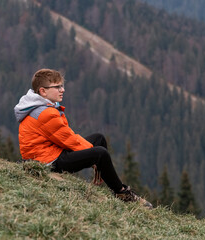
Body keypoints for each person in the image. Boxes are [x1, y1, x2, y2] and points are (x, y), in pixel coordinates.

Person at [14, 68, 152, 208]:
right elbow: (69, 140)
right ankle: (121, 193)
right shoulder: (45, 113)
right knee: (100, 153)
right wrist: (94, 158)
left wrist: (92, 156)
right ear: (43, 91)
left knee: (99, 139)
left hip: (51, 152)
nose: (62, 90)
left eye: (62, 86)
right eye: (57, 87)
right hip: (46, 162)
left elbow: (66, 138)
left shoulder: (43, 106)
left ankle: (103, 177)